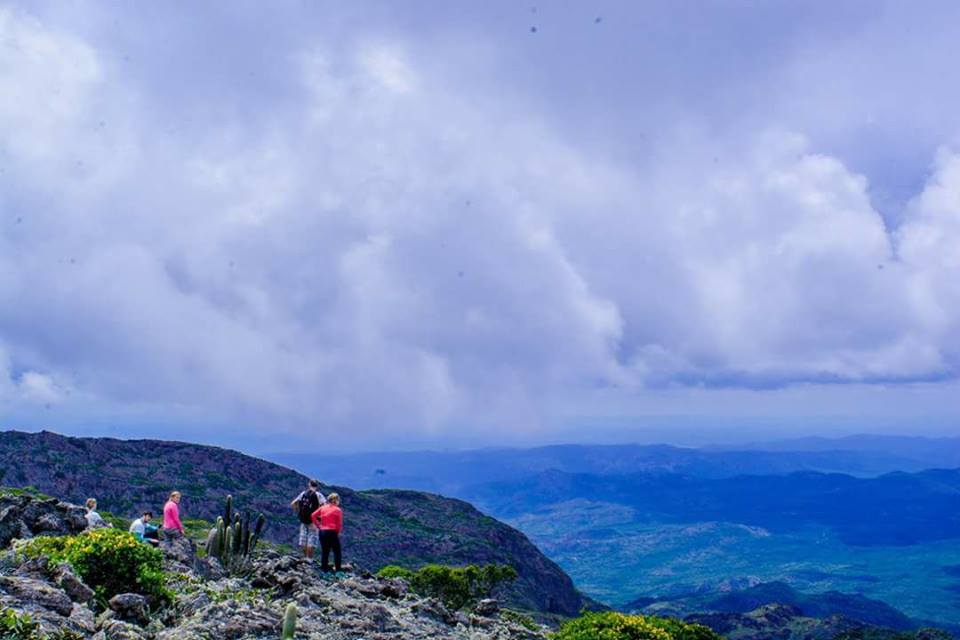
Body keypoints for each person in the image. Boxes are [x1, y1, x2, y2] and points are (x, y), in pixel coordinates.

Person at [291, 479, 325, 559]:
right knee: (311, 540)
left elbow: (293, 503)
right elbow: (324, 507)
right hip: (313, 522)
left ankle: (305, 557)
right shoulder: (319, 495)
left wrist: (298, 511)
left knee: (303, 540)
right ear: (317, 486)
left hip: (303, 520)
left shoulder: (303, 493)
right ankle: (309, 560)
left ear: (309, 485)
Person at [311, 492, 343, 573]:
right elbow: (339, 524)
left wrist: (319, 526)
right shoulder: (338, 510)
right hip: (332, 532)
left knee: (325, 551)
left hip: (322, 531)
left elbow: (313, 515)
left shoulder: (323, 508)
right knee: (337, 551)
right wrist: (337, 532)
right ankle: (338, 570)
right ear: (335, 500)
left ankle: (324, 569)